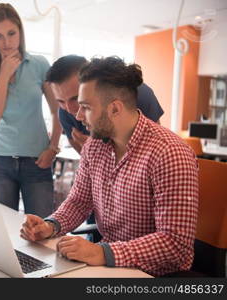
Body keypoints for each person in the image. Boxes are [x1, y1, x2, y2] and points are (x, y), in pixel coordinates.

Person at [20, 56, 199, 277]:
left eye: (85, 107)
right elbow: (79, 201)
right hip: (108, 266)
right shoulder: (95, 146)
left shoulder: (169, 153)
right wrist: (50, 226)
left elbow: (175, 244)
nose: (76, 115)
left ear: (114, 109)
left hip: (155, 274)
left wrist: (103, 252)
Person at [0, 3, 61, 218]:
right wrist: (4, 75)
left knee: (41, 232)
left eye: (11, 33)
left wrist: (53, 148)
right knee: (6, 233)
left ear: (20, 32)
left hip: (37, 162)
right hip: (0, 163)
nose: (6, 43)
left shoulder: (39, 64)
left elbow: (57, 110)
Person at [46, 55, 164, 154]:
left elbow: (156, 142)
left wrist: (102, 148)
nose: (70, 110)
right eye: (60, 101)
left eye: (76, 98)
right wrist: (92, 150)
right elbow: (85, 160)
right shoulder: (64, 112)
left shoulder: (139, 93)